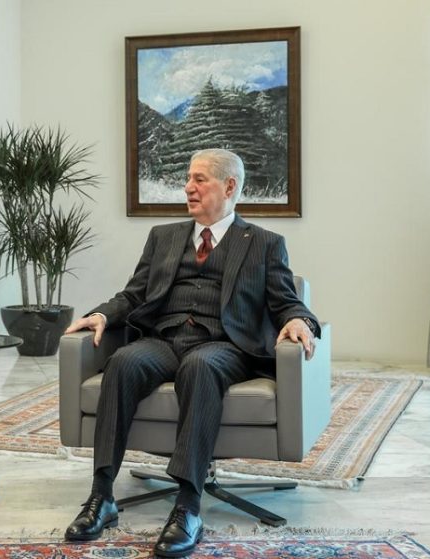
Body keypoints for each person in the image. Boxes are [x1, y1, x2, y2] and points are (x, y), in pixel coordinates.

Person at [62, 149, 319, 558]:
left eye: (199, 179)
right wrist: (101, 314)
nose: (188, 188)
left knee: (200, 366)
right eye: (188, 178)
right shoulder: (162, 237)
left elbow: (286, 301)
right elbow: (134, 294)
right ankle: (102, 495)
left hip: (224, 345)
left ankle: (187, 507)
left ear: (229, 187)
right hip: (165, 340)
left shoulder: (265, 244)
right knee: (123, 362)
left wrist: (301, 320)